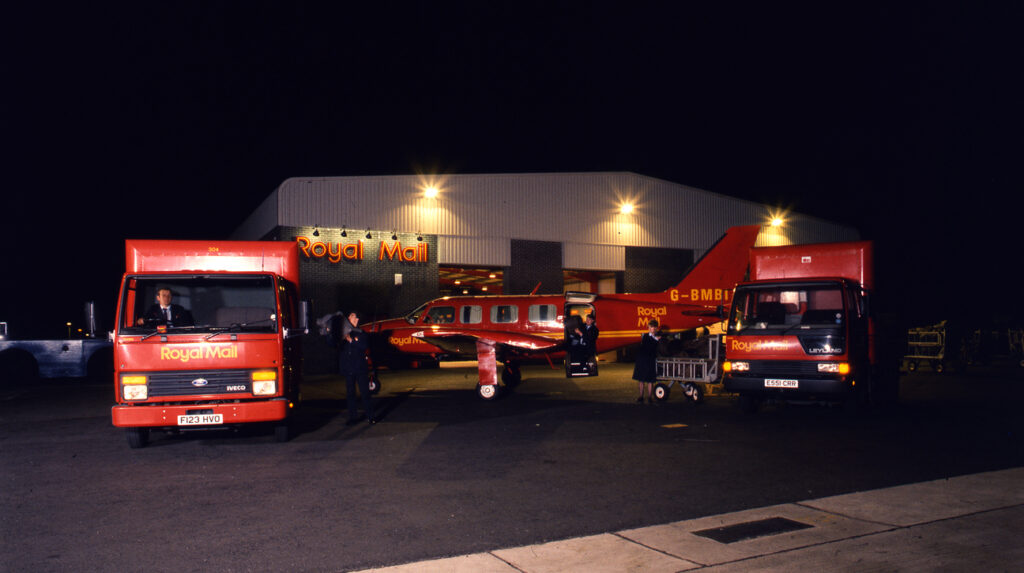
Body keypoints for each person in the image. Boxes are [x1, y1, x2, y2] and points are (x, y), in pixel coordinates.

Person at [339, 311, 376, 425]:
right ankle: (353, 417)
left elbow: (364, 346)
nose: (353, 319)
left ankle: (370, 416)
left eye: (354, 317)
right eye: (351, 316)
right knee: (350, 394)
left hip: (360, 368)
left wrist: (351, 341)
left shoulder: (361, 333)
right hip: (349, 368)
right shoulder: (343, 333)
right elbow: (334, 345)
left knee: (365, 392)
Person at [632, 319, 661, 403]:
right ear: (648, 328)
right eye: (651, 327)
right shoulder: (645, 336)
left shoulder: (657, 337)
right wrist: (656, 340)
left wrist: (657, 339)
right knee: (641, 380)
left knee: (650, 380)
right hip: (642, 360)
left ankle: (649, 397)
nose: (653, 329)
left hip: (650, 360)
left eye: (654, 327)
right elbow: (648, 346)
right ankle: (641, 396)